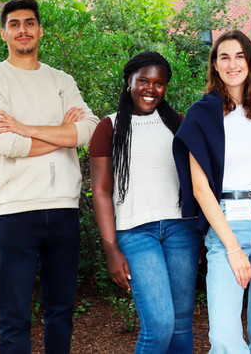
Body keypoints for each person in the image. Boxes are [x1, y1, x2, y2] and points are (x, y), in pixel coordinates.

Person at [0, 0, 99, 353]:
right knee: (15, 314)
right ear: (3, 33)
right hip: (16, 211)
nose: (23, 30)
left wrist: (27, 128)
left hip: (63, 209)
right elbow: (3, 142)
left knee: (61, 310)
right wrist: (61, 133)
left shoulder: (62, 80)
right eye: (14, 24)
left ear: (40, 30)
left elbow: (88, 130)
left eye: (29, 23)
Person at [173, 30, 251, 354]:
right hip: (226, 221)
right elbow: (199, 187)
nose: (232, 63)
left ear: (250, 62)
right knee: (224, 338)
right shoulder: (202, 114)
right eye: (224, 57)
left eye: (239, 56)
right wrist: (233, 248)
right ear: (215, 65)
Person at [89, 51, 203, 354]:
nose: (150, 89)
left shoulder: (179, 123)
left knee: (181, 324)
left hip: (182, 231)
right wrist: (111, 249)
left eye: (159, 83)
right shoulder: (108, 128)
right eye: (143, 81)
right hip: (136, 234)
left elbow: (203, 175)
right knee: (159, 326)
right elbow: (100, 191)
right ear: (129, 81)